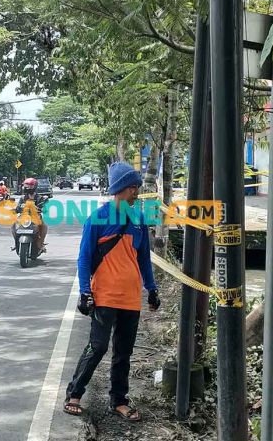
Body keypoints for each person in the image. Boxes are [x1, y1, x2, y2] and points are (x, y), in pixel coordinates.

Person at [63, 162, 160, 422]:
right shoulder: (97, 219)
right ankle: (74, 393)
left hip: (131, 298)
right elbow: (84, 259)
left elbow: (144, 261)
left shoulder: (138, 220)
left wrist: (151, 289)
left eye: (137, 188)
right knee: (98, 346)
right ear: (122, 189)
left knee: (123, 352)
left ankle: (118, 400)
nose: (137, 193)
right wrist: (85, 292)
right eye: (133, 188)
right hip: (104, 295)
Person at [12, 177, 48, 251]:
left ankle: (41, 244)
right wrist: (14, 210)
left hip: (36, 217)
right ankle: (16, 243)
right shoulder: (23, 198)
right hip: (24, 217)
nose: (28, 188)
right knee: (13, 225)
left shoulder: (39, 197)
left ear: (34, 186)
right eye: (26, 186)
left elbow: (44, 209)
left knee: (44, 226)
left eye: (30, 186)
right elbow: (18, 207)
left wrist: (42, 209)